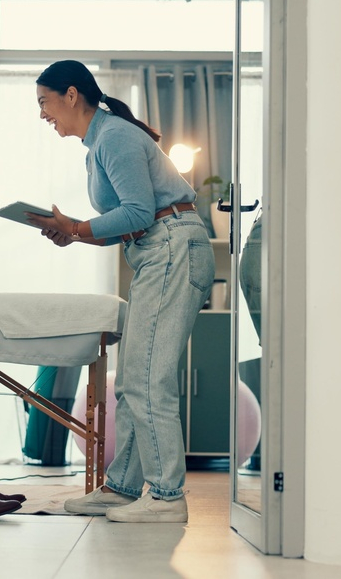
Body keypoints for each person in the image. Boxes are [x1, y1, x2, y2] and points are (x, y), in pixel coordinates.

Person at [25, 60, 214, 524]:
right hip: (156, 251)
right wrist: (73, 233)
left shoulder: (115, 137)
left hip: (171, 247)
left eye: (44, 103)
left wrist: (78, 225)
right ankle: (126, 488)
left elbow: (138, 212)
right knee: (134, 377)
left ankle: (167, 496)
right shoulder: (99, 143)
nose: (43, 115)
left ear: (72, 95)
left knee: (147, 377)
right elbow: (128, 223)